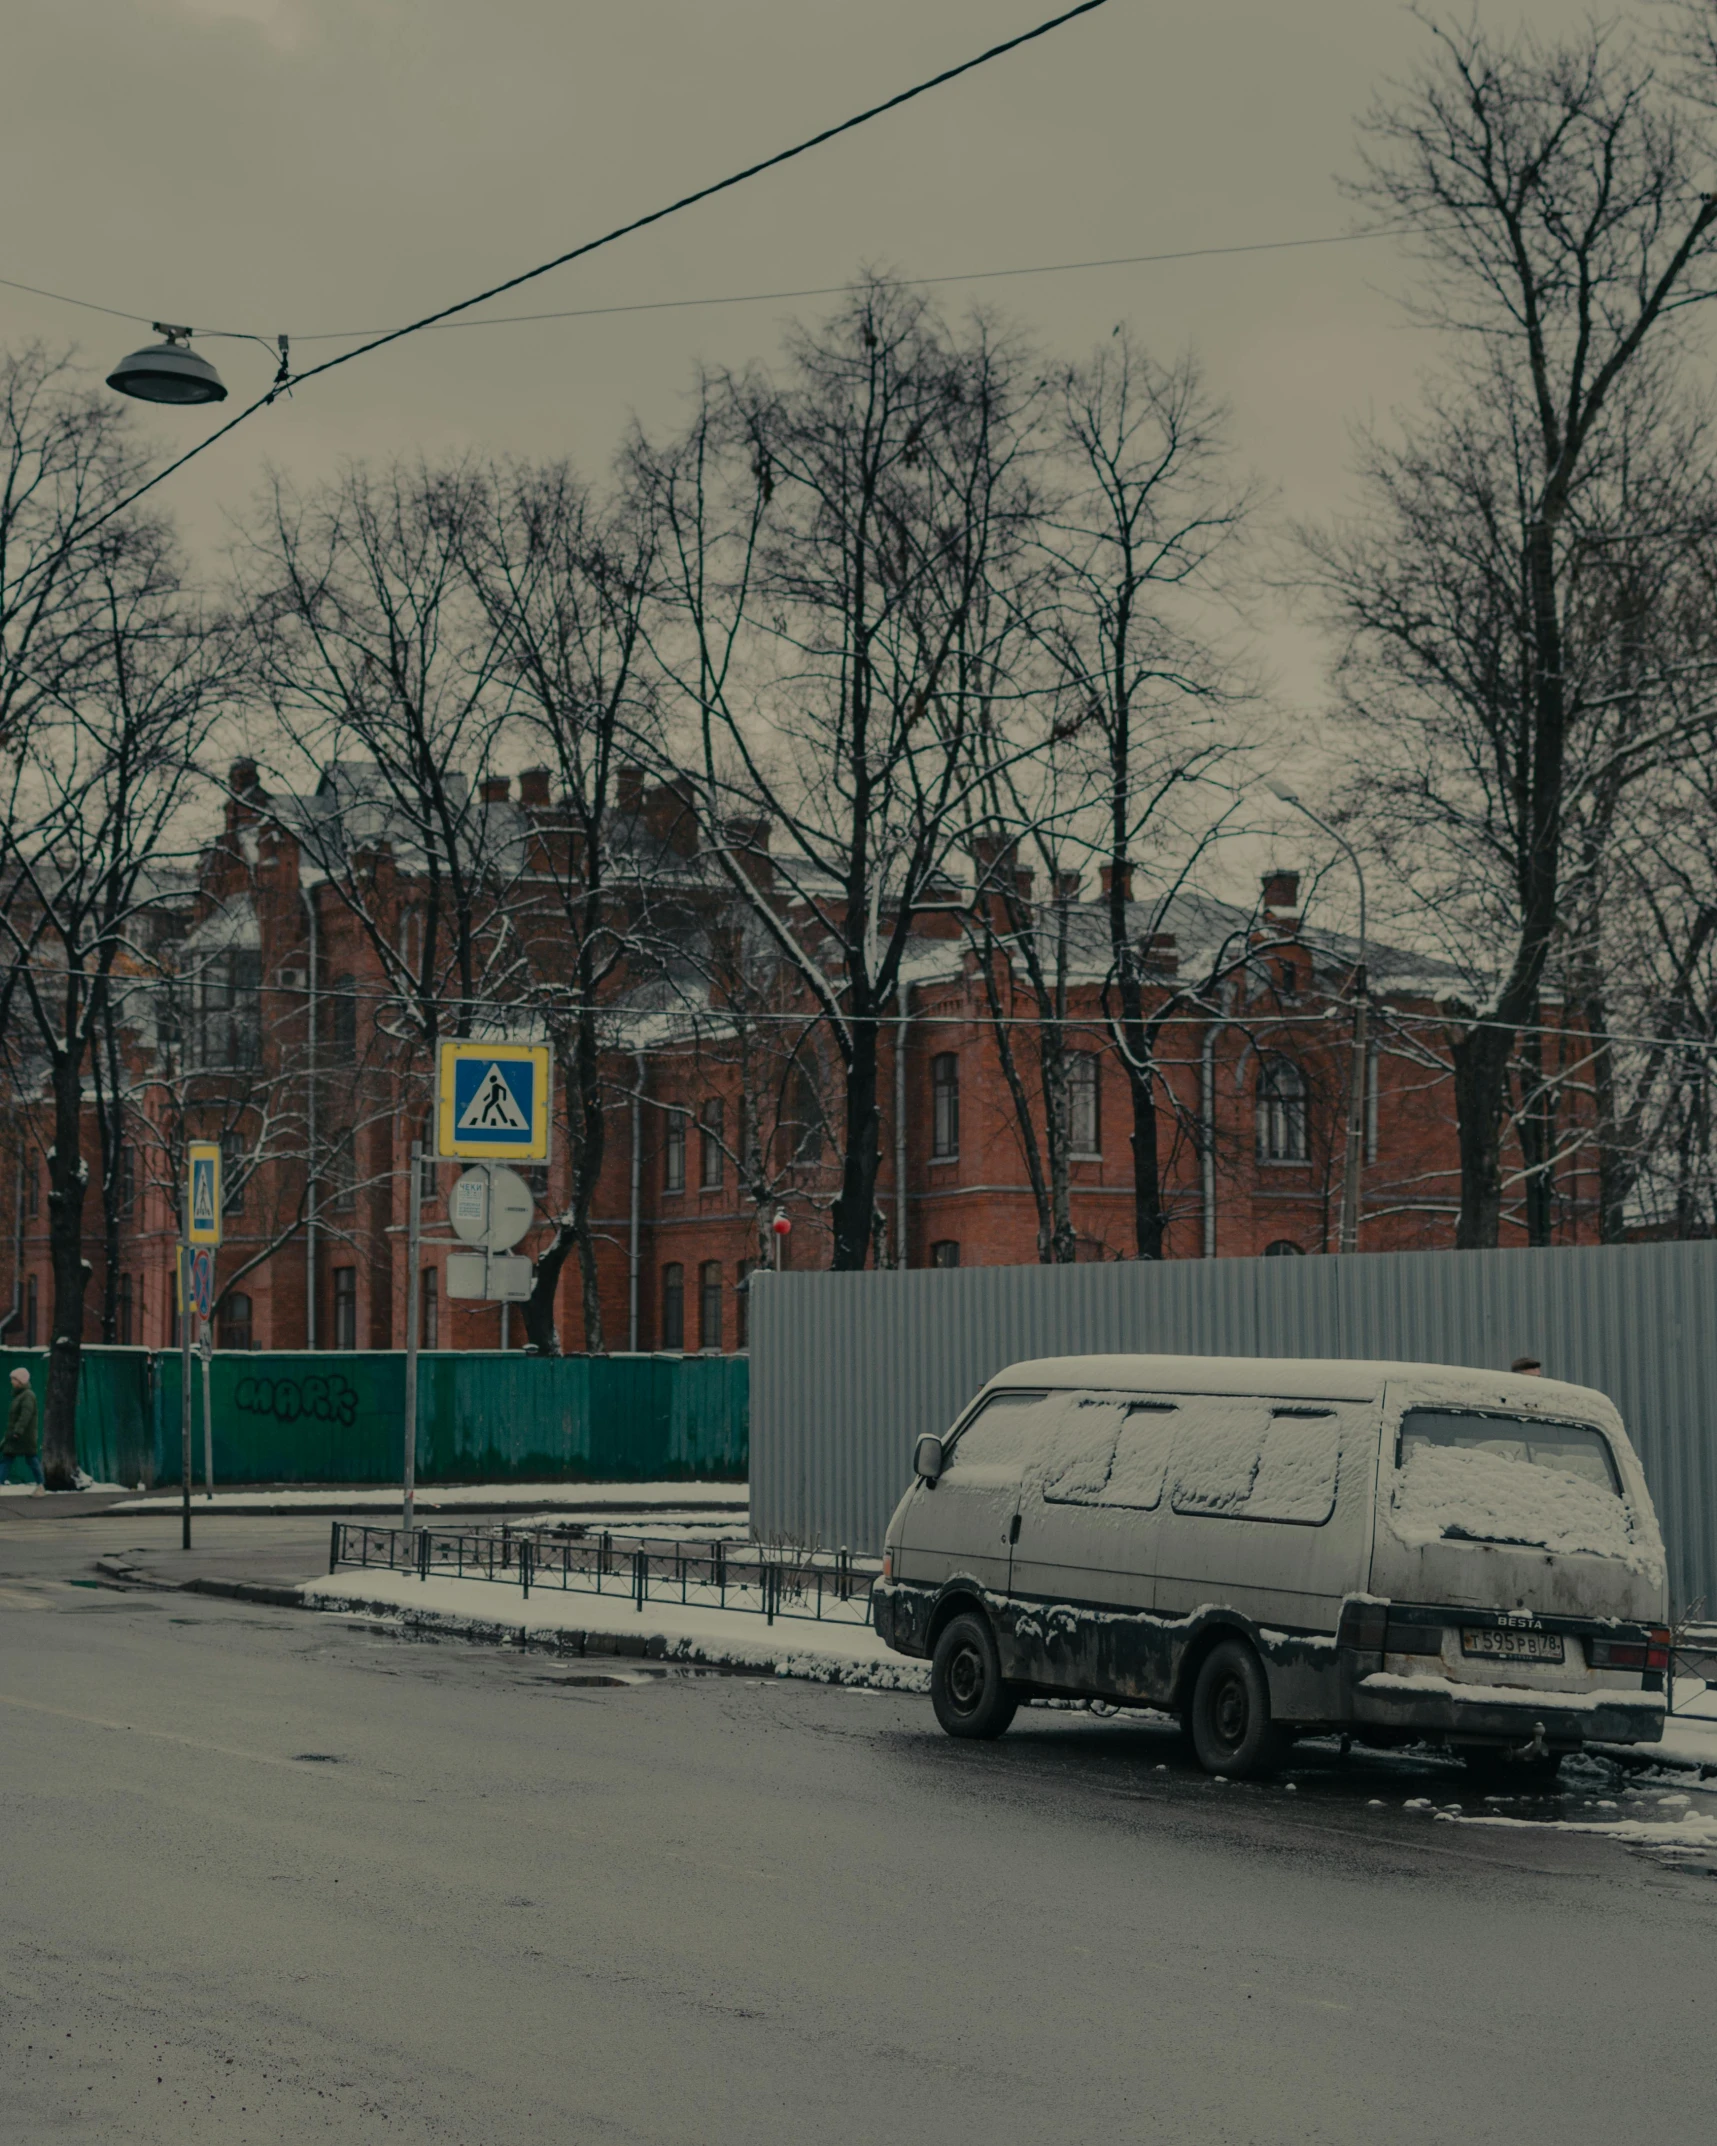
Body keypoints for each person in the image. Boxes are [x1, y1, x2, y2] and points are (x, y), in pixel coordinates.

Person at [3, 1367, 44, 1493]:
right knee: (9, 1459)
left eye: (14, 1379)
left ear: (21, 1381)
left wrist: (17, 1432)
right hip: (18, 1434)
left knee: (28, 1459)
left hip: (22, 1436)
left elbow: (25, 1415)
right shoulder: (20, 1395)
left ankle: (41, 1485)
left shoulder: (27, 1396)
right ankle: (41, 1485)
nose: (11, 1382)